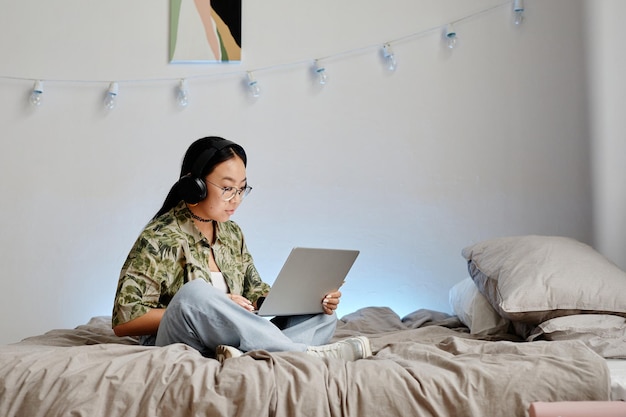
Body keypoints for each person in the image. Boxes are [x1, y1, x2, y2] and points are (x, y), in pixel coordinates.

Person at [112, 136, 371, 361]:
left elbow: (254, 291)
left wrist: (307, 297)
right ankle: (298, 352)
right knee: (194, 294)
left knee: (323, 317)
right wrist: (212, 306)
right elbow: (125, 321)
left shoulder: (232, 232)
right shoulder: (159, 236)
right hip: (182, 340)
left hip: (225, 342)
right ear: (197, 186)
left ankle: (244, 354)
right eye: (227, 188)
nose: (236, 198)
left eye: (241, 188)